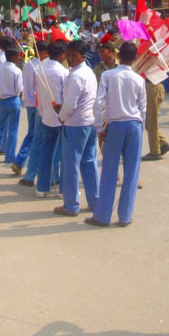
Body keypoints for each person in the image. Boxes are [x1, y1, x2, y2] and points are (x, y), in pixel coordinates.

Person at [88, 41, 146, 227]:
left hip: (115, 125)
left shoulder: (108, 75)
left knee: (110, 170)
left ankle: (103, 215)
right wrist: (140, 128)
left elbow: (98, 104)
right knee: (132, 171)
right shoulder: (139, 79)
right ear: (135, 58)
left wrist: (99, 127)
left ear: (117, 55)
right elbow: (142, 108)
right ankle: (125, 216)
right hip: (134, 124)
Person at [53, 40, 99, 217]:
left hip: (76, 124)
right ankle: (95, 201)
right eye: (68, 54)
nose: (69, 58)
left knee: (71, 165)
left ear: (82, 55)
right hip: (89, 122)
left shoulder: (77, 75)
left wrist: (61, 115)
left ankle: (71, 205)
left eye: (73, 55)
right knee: (89, 163)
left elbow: (71, 104)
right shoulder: (88, 72)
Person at [35, 41, 68, 196]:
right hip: (60, 118)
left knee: (45, 153)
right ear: (61, 55)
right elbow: (66, 96)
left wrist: (41, 111)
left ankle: (42, 188)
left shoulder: (40, 70)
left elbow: (39, 96)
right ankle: (62, 189)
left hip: (46, 116)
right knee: (63, 155)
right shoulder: (63, 72)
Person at [12, 40, 49, 177]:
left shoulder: (28, 64)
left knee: (32, 134)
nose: (47, 56)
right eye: (46, 53)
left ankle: (20, 160)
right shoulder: (40, 67)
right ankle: (22, 161)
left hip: (28, 102)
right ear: (40, 53)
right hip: (36, 103)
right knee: (37, 136)